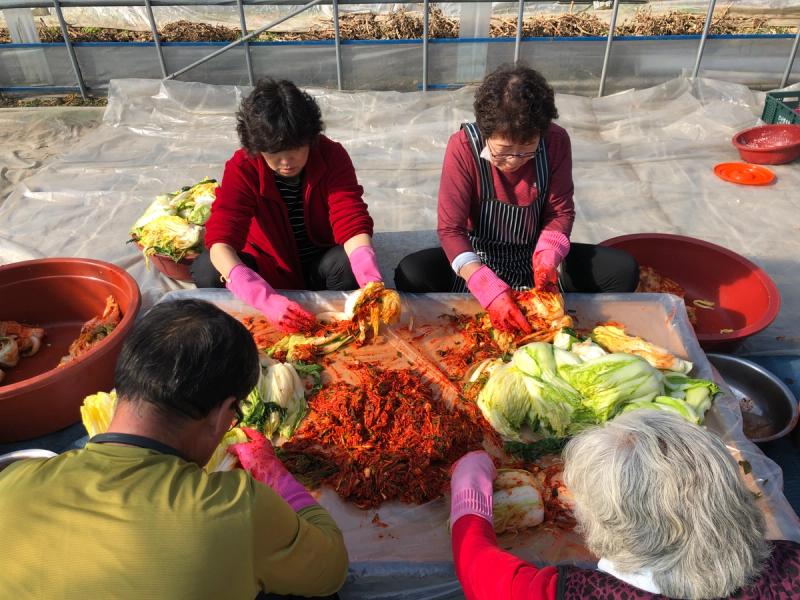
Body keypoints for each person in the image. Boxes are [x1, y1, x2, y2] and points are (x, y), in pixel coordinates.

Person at [0, 299, 348, 599]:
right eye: (235, 413)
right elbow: (332, 568)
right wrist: (276, 476)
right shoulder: (236, 509)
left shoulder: (13, 486)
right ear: (221, 414)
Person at [449, 410, 800, 599]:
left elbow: (477, 567)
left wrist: (469, 497)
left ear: (608, 528)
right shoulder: (792, 566)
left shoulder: (574, 595)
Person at [395, 64, 639, 333]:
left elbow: (560, 213)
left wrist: (547, 260)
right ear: (486, 131)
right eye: (503, 151)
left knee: (622, 270)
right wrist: (484, 283)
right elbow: (451, 229)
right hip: (481, 254)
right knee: (412, 273)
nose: (513, 161)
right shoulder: (463, 147)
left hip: (533, 255)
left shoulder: (556, 142)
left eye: (526, 151)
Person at [195, 78, 382, 333]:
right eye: (273, 153)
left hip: (318, 262)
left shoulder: (332, 156)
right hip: (269, 268)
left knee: (347, 263)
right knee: (207, 270)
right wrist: (265, 299)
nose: (286, 162)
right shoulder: (243, 167)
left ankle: (339, 322)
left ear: (311, 138)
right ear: (256, 148)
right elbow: (221, 242)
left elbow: (350, 216)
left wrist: (371, 281)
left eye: (295, 149)